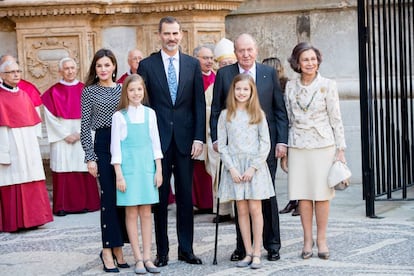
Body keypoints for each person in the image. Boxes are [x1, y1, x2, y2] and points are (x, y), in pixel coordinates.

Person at [210, 33, 288, 262]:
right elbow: (216, 110)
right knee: (240, 202)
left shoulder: (268, 73)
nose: (245, 54)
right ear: (235, 52)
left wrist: (281, 141)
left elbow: (279, 110)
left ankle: (272, 244)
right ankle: (243, 247)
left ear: (256, 50)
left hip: (265, 150)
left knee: (266, 199)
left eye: (249, 50)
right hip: (234, 151)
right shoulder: (224, 74)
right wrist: (216, 140)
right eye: (241, 50)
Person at [137, 16, 206, 267]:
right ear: (159, 35)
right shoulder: (147, 65)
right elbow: (143, 105)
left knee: (186, 197)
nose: (171, 38)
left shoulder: (191, 65)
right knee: (160, 198)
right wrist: (148, 144)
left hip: (187, 142)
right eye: (167, 34)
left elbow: (199, 103)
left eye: (175, 33)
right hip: (159, 144)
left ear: (181, 35)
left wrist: (200, 137)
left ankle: (186, 249)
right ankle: (163, 251)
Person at [285, 42, 346, 260]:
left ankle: (321, 239)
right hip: (298, 145)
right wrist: (286, 149)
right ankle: (307, 240)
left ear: (318, 61)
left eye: (313, 59)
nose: (310, 63)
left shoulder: (328, 85)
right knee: (302, 195)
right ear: (297, 63)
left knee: (321, 196)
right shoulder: (290, 86)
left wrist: (341, 149)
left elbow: (335, 118)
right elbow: (289, 119)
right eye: (305, 60)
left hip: (323, 146)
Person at [218, 74, 275, 269]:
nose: (241, 93)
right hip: (234, 167)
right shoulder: (225, 115)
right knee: (241, 209)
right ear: (233, 91)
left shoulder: (258, 114)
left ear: (252, 92)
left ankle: (258, 251)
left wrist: (253, 167)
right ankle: (248, 251)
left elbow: (265, 143)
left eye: (246, 89)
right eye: (238, 89)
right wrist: (231, 168)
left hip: (254, 168)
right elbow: (222, 145)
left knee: (255, 209)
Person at [80, 48, 129, 273]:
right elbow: (84, 129)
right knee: (108, 199)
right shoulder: (89, 92)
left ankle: (119, 247)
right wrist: (90, 158)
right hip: (102, 143)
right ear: (95, 69)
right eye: (99, 66)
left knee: (122, 198)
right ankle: (107, 250)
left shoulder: (122, 89)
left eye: (107, 65)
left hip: (123, 144)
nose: (103, 69)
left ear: (114, 67)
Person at [110, 74, 163, 274]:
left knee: (146, 213)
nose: (136, 93)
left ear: (144, 91)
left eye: (139, 89)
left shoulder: (150, 114)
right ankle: (138, 257)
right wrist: (119, 175)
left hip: (147, 168)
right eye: (131, 90)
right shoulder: (119, 117)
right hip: (128, 171)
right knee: (131, 213)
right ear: (126, 92)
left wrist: (159, 169)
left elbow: (155, 144)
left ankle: (148, 256)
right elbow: (116, 148)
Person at [41, 57, 100, 216]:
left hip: (83, 135)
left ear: (77, 69)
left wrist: (82, 133)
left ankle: (88, 204)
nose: (70, 71)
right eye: (66, 68)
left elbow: (94, 114)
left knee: (83, 166)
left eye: (72, 68)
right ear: (60, 71)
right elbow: (49, 118)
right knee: (63, 166)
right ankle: (63, 206)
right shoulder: (53, 92)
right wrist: (65, 135)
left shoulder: (86, 89)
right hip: (62, 138)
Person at [0, 60, 53, 232]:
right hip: (10, 144)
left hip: (28, 144)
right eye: (11, 72)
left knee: (31, 177)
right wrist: (3, 153)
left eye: (18, 71)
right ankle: (15, 222)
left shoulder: (24, 94)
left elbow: (33, 123)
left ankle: (34, 219)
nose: (16, 75)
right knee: (13, 179)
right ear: (2, 75)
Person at [262, 57, 299, 217]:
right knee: (289, 169)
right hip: (277, 131)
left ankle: (299, 201)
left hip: (289, 130)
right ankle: (293, 200)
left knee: (295, 169)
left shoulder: (285, 84)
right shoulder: (265, 84)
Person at [210, 38, 238, 223]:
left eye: (230, 63)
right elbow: (214, 108)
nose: (227, 66)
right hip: (220, 133)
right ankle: (222, 209)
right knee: (219, 174)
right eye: (223, 63)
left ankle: (237, 211)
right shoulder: (217, 81)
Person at [192, 44, 215, 214]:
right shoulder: (192, 78)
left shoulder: (217, 77)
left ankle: (213, 203)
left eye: (211, 58)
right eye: (205, 58)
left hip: (213, 130)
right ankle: (200, 202)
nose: (209, 61)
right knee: (198, 167)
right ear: (196, 59)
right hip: (198, 128)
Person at [0, 54, 43, 136]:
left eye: (17, 70)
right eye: (7, 64)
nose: (15, 74)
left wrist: (37, 134)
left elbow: (35, 114)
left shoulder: (27, 89)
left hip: (27, 133)